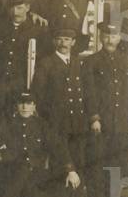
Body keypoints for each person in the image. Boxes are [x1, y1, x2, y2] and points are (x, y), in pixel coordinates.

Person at [82, 22, 128, 197]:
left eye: (113, 36)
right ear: (100, 37)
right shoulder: (91, 62)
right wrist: (94, 117)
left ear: (119, 38)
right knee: (97, 160)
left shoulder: (126, 62)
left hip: (121, 120)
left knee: (118, 160)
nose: (109, 40)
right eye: (106, 35)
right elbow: (88, 92)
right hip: (101, 121)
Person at [30, 23, 90, 188]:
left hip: (77, 120)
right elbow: (38, 93)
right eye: (59, 39)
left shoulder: (78, 63)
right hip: (56, 121)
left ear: (73, 42)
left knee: (78, 158)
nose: (63, 43)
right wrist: (47, 116)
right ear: (54, 42)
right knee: (59, 160)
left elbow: (85, 92)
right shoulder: (46, 63)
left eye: (67, 39)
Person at [5, 92, 81, 197]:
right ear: (16, 106)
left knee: (61, 181)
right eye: (21, 103)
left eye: (28, 103)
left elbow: (58, 147)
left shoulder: (41, 125)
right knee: (29, 188)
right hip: (14, 174)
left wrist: (71, 170)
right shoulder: (7, 124)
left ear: (34, 106)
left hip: (37, 172)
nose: (24, 107)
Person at [0, 0, 49, 113]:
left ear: (27, 8)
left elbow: (44, 61)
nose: (16, 12)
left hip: (25, 84)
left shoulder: (38, 29)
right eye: (12, 7)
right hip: (0, 83)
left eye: (19, 7)